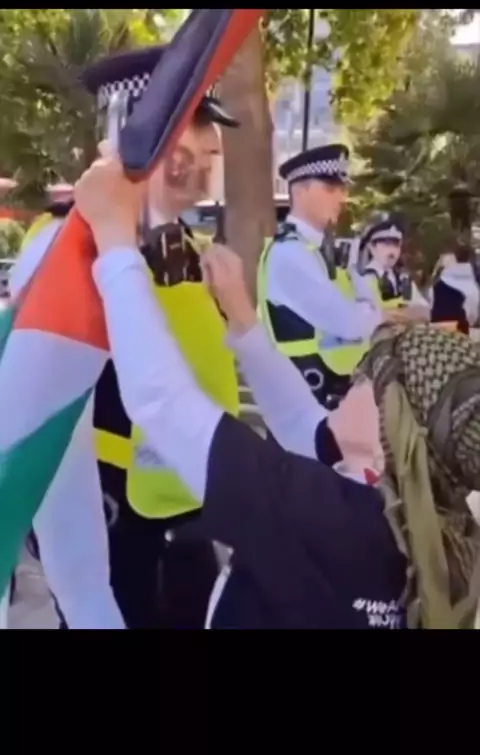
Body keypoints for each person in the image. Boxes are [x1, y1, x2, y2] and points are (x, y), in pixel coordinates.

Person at [74, 155, 480, 629]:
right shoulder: (425, 523)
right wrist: (242, 317)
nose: (358, 374)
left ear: (393, 429)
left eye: (373, 374)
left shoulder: (313, 513)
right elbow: (300, 422)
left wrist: (115, 241)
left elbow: (163, 401)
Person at [9, 45, 242, 630]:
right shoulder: (64, 245)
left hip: (189, 501)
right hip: (109, 507)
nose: (205, 170)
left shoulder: (191, 249)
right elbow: (35, 407)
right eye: (189, 151)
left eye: (211, 154)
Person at [257, 145, 413, 410]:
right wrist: (378, 314)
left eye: (343, 188)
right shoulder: (291, 253)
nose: (342, 197)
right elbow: (348, 322)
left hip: (323, 390)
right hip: (303, 398)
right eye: (330, 188)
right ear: (300, 191)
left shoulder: (316, 249)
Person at [355, 213, 430, 317]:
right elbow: (366, 316)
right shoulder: (362, 278)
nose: (392, 251)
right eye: (386, 244)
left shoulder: (403, 279)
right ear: (371, 247)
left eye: (396, 245)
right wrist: (406, 313)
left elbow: (425, 311)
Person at [430, 244, 480, 335]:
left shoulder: (442, 278)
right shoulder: (472, 281)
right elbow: (473, 312)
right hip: (459, 328)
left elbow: (429, 301)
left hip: (437, 326)